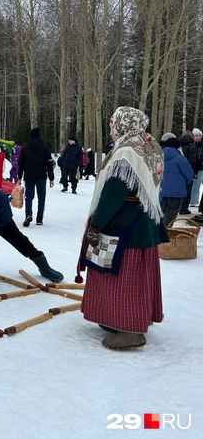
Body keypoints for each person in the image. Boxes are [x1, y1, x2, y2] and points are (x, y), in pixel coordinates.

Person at [77, 106, 168, 350]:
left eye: (112, 123)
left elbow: (114, 192)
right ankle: (116, 319)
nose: (110, 128)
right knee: (125, 276)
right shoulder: (149, 146)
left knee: (123, 278)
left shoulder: (127, 152)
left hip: (125, 227)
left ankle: (130, 330)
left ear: (122, 124)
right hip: (143, 223)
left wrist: (96, 225)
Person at [17, 128, 55, 227]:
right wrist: (51, 178)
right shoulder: (45, 149)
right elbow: (49, 164)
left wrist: (19, 177)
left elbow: (21, 164)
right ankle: (39, 218)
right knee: (41, 198)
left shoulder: (25, 149)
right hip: (41, 176)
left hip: (29, 176)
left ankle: (28, 214)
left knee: (29, 197)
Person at [159, 136, 193, 227]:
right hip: (177, 190)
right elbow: (188, 172)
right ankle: (167, 229)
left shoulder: (159, 157)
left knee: (163, 209)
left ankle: (160, 229)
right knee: (173, 210)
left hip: (162, 188)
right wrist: (188, 182)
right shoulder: (179, 158)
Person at [177, 131, 198, 215]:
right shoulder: (192, 146)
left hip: (177, 170)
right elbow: (193, 160)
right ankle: (184, 208)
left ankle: (178, 206)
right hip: (188, 170)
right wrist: (194, 172)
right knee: (187, 189)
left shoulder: (178, 146)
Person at [189, 128, 203, 207]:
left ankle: (194, 201)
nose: (198, 137)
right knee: (190, 185)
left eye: (199, 136)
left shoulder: (201, 145)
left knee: (197, 185)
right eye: (196, 136)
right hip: (192, 167)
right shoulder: (190, 145)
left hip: (200, 167)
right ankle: (189, 200)